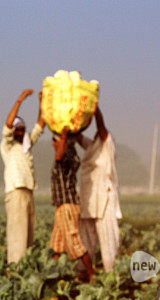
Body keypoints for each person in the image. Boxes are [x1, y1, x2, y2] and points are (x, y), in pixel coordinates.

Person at [0, 89, 45, 264]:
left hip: (28, 192)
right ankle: (15, 270)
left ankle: (25, 268)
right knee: (17, 234)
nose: (20, 132)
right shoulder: (8, 146)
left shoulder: (26, 146)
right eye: (17, 130)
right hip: (16, 192)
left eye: (22, 130)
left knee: (28, 234)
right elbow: (8, 124)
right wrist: (20, 99)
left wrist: (42, 101)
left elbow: (40, 125)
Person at [77, 107, 122, 273]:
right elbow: (79, 137)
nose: (97, 133)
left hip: (105, 197)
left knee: (108, 236)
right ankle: (84, 270)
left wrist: (96, 111)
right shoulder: (92, 147)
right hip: (89, 197)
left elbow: (102, 128)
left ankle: (112, 271)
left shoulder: (107, 146)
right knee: (86, 236)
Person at [49, 125, 94, 281]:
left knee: (74, 242)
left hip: (67, 206)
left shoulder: (65, 157)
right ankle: (53, 275)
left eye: (55, 142)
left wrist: (63, 136)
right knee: (57, 244)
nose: (53, 145)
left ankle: (91, 274)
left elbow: (59, 155)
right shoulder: (72, 155)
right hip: (62, 206)